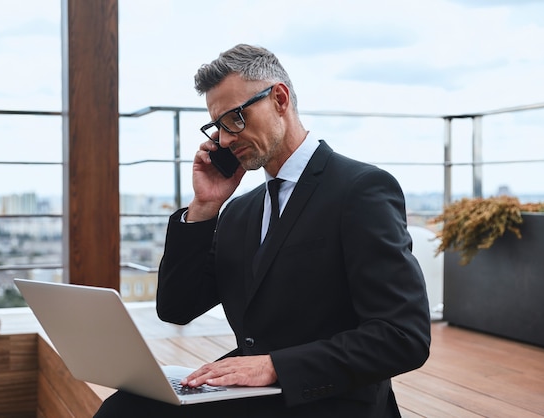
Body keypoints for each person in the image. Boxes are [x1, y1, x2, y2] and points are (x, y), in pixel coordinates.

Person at [95, 43, 431, 418]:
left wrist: (273, 366)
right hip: (250, 393)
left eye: (235, 118)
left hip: (326, 398)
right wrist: (204, 207)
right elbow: (177, 308)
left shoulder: (360, 189)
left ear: (280, 99)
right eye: (217, 126)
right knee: (123, 409)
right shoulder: (240, 210)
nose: (224, 139)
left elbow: (403, 336)